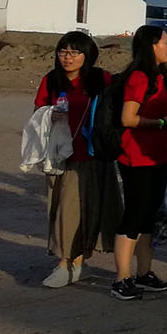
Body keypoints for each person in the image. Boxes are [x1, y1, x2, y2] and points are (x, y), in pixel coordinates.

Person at [32, 31, 115, 288]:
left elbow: (114, 110)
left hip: (93, 155)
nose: (67, 57)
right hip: (61, 157)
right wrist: (49, 115)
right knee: (64, 210)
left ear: (87, 55)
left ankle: (75, 263)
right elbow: (37, 112)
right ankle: (67, 263)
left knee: (88, 210)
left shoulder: (101, 79)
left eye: (74, 52)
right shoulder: (52, 80)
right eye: (63, 51)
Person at [111, 26, 167, 300]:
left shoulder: (159, 77)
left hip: (156, 154)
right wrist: (160, 123)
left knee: (149, 216)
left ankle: (144, 273)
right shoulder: (138, 77)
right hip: (135, 156)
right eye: (165, 42)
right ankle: (121, 278)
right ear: (152, 46)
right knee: (134, 216)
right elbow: (128, 118)